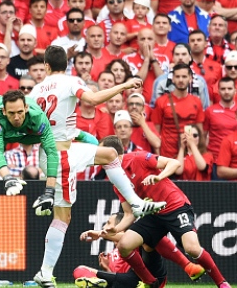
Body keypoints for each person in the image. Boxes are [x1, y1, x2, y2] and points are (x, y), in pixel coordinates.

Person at [27, 46, 166, 287]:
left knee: (109, 155)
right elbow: (91, 99)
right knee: (62, 217)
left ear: (46, 67)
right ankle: (45, 273)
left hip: (53, 151)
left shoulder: (35, 91)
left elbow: (34, 127)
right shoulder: (70, 81)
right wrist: (123, 86)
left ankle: (44, 273)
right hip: (61, 155)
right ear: (66, 65)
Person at [100, 136, 230, 288]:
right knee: (124, 245)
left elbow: (174, 162)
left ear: (113, 154)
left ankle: (222, 283)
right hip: (153, 214)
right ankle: (151, 282)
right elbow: (129, 214)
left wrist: (158, 177)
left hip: (174, 205)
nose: (98, 159)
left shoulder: (138, 158)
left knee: (192, 249)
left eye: (101, 153)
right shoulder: (116, 180)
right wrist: (115, 229)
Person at [74, 212, 205, 288]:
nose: (105, 226)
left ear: (120, 227)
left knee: (150, 237)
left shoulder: (132, 239)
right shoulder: (112, 254)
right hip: (132, 282)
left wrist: (99, 233)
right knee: (79, 270)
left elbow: (124, 237)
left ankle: (187, 266)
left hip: (152, 274)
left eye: (109, 222)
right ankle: (95, 283)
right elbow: (119, 280)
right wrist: (107, 269)